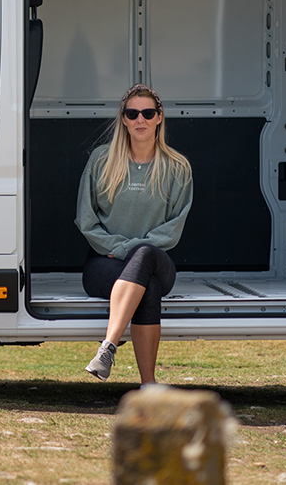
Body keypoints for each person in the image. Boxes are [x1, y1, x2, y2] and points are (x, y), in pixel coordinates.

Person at [75, 83, 192, 385]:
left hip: (157, 258)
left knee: (146, 255)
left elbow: (173, 227)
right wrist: (119, 248)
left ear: (159, 117)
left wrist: (134, 249)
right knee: (148, 288)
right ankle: (148, 384)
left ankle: (107, 347)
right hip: (105, 260)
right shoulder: (102, 160)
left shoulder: (177, 167)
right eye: (133, 113)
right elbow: (86, 220)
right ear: (124, 119)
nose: (140, 119)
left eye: (147, 113)